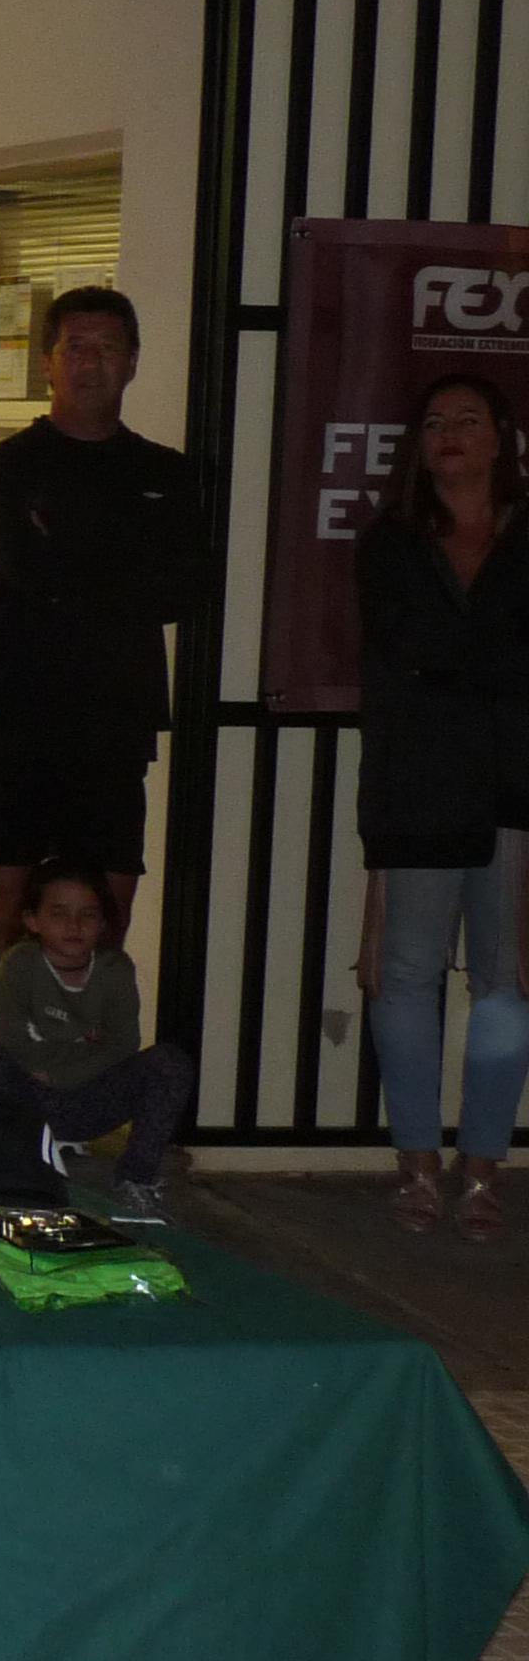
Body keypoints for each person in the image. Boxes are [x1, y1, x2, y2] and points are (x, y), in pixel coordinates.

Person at [0, 287, 202, 995]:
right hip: (15, 714)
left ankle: (85, 1055)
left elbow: (182, 591)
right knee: (0, 906)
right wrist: (122, 563)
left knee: (105, 911)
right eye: (75, 347)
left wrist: (71, 555)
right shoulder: (9, 467)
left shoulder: (167, 473)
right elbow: (27, 573)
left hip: (117, 720)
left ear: (133, 362)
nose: (91, 362)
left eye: (108, 348)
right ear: (48, 363)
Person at [349, 372, 529, 1238]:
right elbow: (414, 647)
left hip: (516, 789)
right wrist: (495, 660)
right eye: (433, 423)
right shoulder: (389, 543)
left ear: (501, 438)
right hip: (416, 787)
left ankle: (482, 1173)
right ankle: (418, 1167)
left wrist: (467, 663)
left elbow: (462, 657)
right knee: (407, 979)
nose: (449, 433)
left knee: (507, 985)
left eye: (467, 419)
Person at [0, 858, 197, 1224]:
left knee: (170, 1063)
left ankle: (136, 1180)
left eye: (87, 915)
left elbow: (122, 1044)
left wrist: (59, 1074)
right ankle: (2, 1169)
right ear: (32, 920)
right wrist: (48, 1068)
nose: (73, 926)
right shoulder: (19, 964)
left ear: (103, 924)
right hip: (30, 1099)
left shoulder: (115, 970)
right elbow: (6, 1035)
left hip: (91, 1097)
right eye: (58, 913)